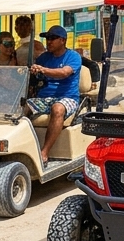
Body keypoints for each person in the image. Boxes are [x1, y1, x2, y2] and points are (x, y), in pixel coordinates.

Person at [27, 25, 82, 166]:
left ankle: (44, 152)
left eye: (52, 38)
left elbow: (64, 72)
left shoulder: (73, 56)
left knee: (58, 109)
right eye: (47, 39)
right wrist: (33, 70)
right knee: (20, 108)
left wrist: (43, 70)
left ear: (62, 40)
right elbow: (34, 74)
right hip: (44, 97)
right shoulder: (44, 57)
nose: (48, 42)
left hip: (67, 97)